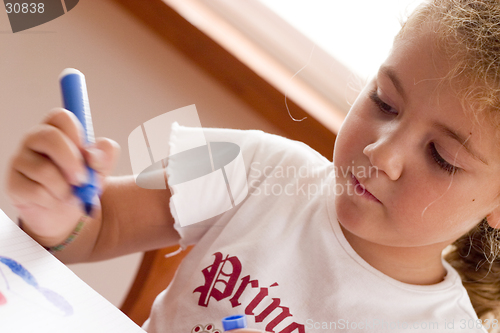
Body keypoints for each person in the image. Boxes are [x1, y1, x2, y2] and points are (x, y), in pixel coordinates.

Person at [5, 0, 500, 331]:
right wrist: (58, 212)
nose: (382, 154)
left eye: (442, 157)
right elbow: (97, 228)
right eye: (384, 102)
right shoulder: (255, 166)